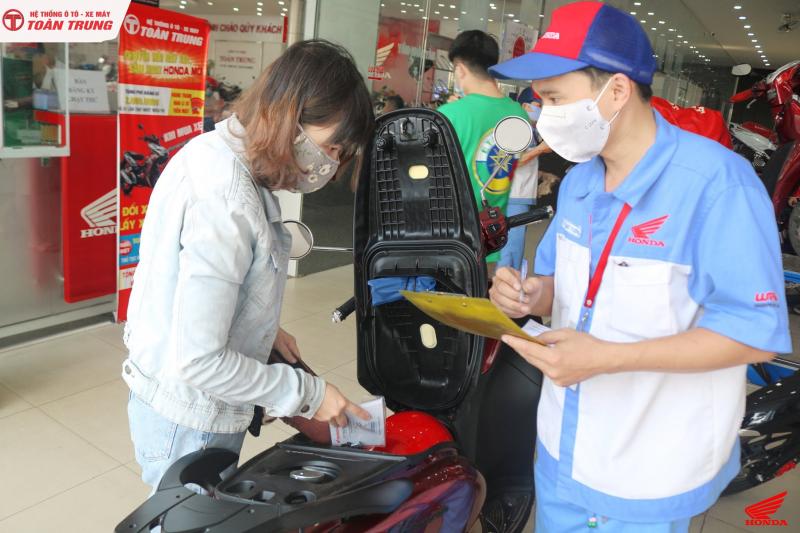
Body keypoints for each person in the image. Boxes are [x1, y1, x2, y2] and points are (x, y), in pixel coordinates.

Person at [488, 2, 790, 532]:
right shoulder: (581, 179)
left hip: (647, 468)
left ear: (617, 92)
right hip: (562, 449)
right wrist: (528, 294)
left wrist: (609, 359)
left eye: (555, 98)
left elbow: (754, 334)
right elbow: (557, 286)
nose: (543, 112)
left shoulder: (718, 185)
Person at [122, 40, 374, 491]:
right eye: (332, 148)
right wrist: (311, 395)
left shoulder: (213, 152)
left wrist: (259, 326)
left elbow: (188, 283)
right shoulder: (227, 196)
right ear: (290, 116)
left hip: (167, 392)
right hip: (191, 421)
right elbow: (199, 360)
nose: (331, 166)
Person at [437, 30, 528, 266]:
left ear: (460, 69)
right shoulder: (518, 114)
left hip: (447, 237)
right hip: (491, 237)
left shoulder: (449, 115)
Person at [497, 88, 551, 270]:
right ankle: (505, 286)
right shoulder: (518, 127)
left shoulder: (531, 129)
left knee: (515, 248)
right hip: (515, 197)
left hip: (520, 195)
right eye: (538, 105)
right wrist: (541, 149)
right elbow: (511, 161)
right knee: (511, 249)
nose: (541, 110)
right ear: (525, 105)